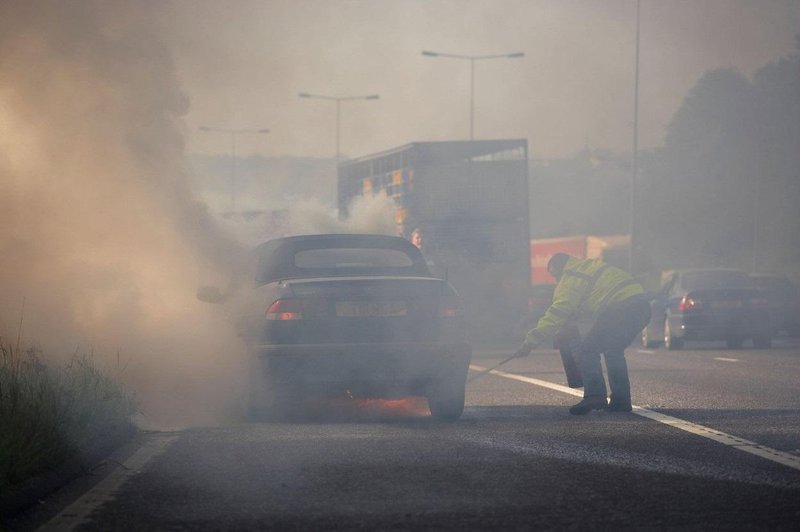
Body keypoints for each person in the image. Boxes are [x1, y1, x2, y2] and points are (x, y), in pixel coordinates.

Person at [513, 253, 651, 415]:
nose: (557, 281)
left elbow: (557, 313)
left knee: (588, 350)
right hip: (641, 307)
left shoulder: (571, 278)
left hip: (620, 308)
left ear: (559, 268)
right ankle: (621, 401)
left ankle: (595, 395)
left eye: (555, 275)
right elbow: (589, 304)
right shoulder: (588, 267)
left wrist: (529, 343)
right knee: (613, 350)